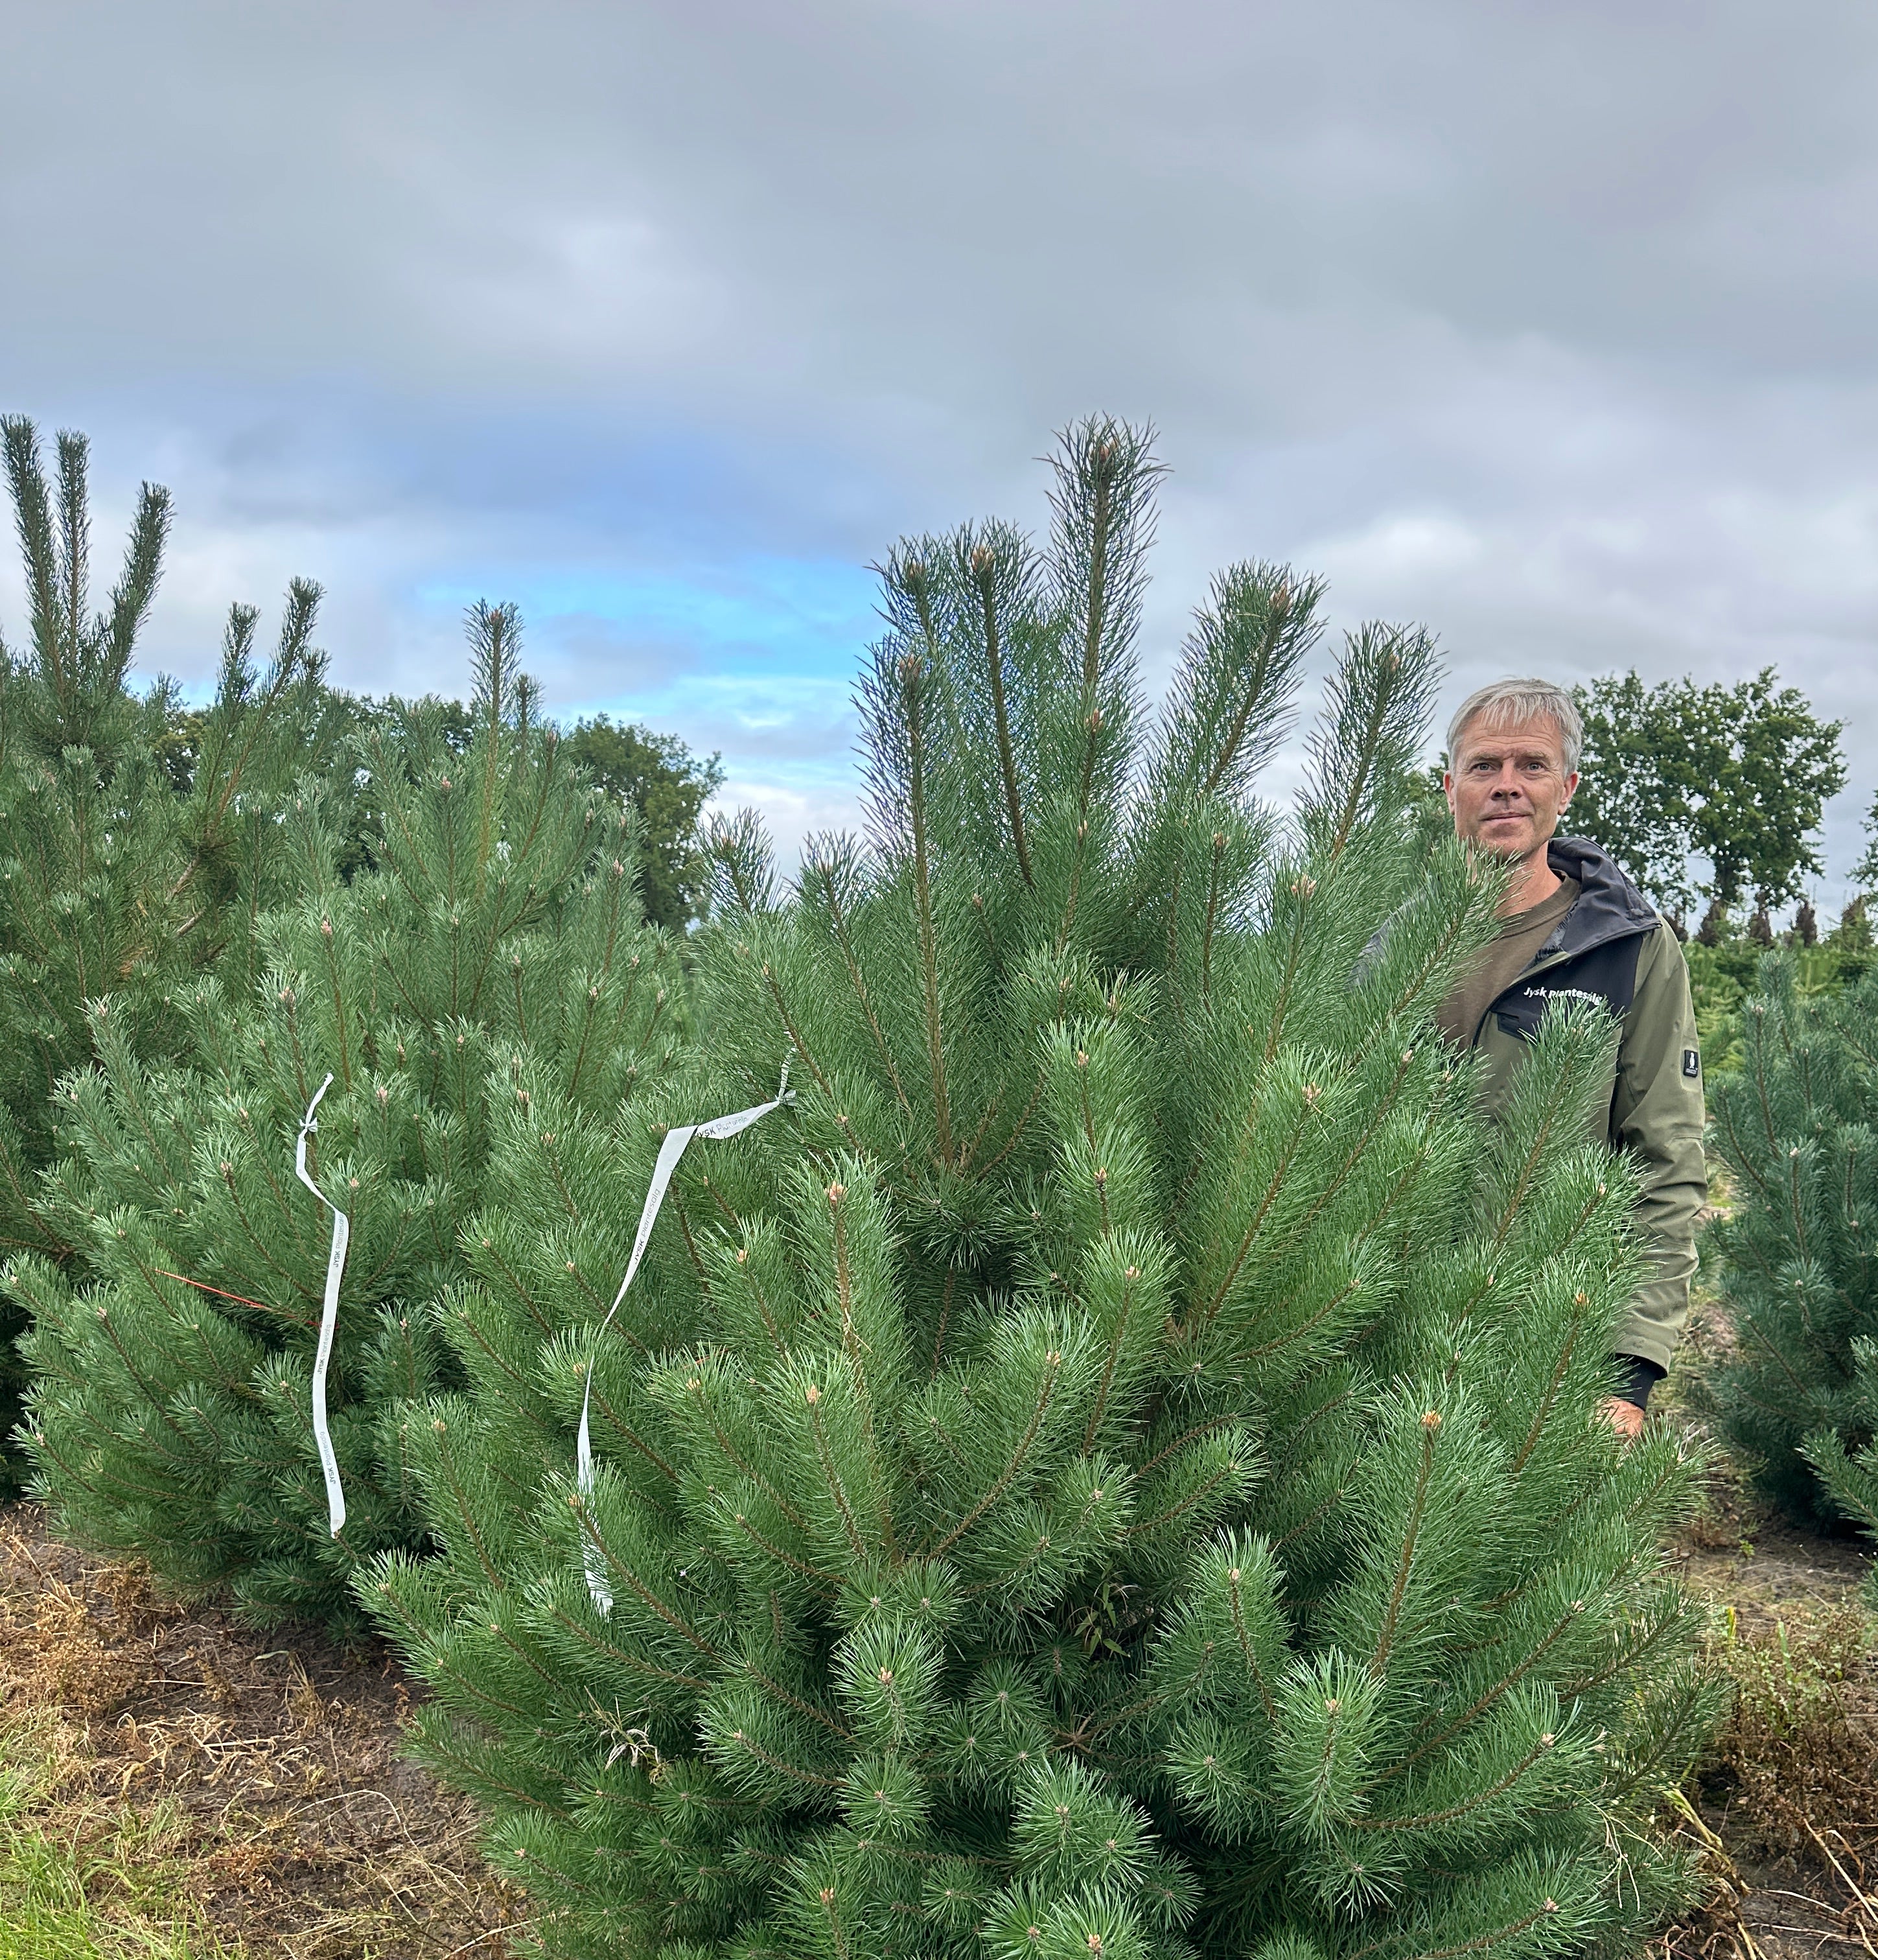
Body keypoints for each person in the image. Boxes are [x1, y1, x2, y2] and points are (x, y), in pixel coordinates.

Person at [1435, 677, 1706, 1438]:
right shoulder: (1393, 948)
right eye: (1484, 766)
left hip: (1555, 1342)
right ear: (1451, 788)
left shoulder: (1628, 949)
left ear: (1568, 788)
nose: (1507, 786)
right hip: (1393, 1330)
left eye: (1532, 765)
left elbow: (1665, 1160)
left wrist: (1629, 1369)